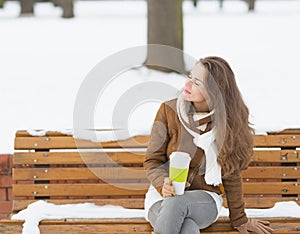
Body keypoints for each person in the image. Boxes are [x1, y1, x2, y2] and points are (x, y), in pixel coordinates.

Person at [143, 56, 273, 234]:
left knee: (177, 204)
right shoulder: (168, 111)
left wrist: (240, 219)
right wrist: (162, 183)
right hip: (161, 198)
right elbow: (153, 161)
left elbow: (231, 173)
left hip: (204, 200)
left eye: (197, 83)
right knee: (187, 228)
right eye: (190, 77)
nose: (187, 85)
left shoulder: (227, 124)